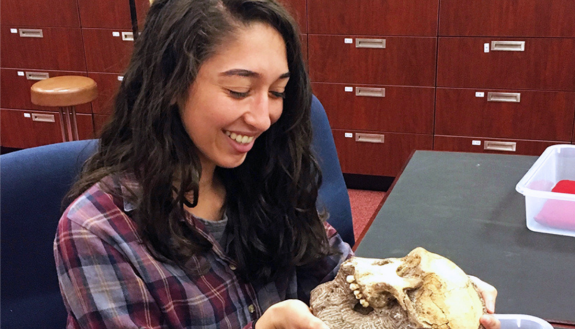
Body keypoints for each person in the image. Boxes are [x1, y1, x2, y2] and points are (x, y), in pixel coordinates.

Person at [54, 0, 501, 328]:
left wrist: (430, 290)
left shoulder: (265, 172)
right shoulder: (97, 232)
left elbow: (340, 275)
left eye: (277, 91)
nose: (263, 116)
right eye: (238, 90)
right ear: (171, 83)